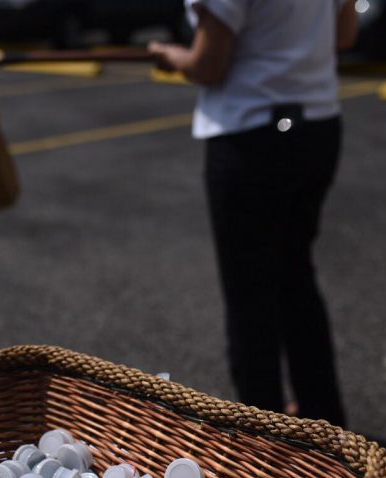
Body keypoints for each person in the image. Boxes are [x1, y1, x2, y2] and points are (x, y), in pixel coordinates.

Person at [149, 1, 358, 427]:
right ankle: (324, 420)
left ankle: (264, 440)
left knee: (250, 296)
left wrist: (173, 58)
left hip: (256, 134)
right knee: (295, 275)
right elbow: (343, 35)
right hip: (316, 127)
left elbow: (209, 65)